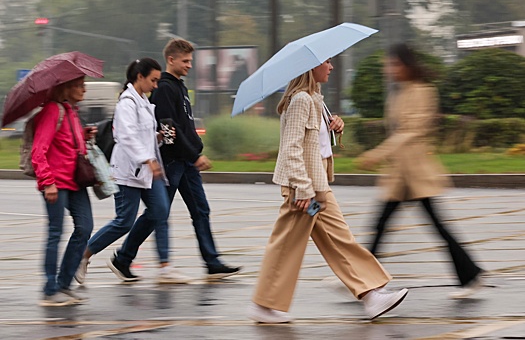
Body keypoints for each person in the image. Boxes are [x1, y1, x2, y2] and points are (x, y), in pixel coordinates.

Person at [247, 58, 408, 324]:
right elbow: (291, 149)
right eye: (327, 62)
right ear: (310, 67)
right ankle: (263, 305)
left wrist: (336, 125)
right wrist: (303, 189)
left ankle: (371, 296)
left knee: (339, 239)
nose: (331, 67)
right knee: (287, 245)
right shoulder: (300, 100)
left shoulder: (315, 99)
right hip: (305, 190)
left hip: (316, 185)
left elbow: (316, 145)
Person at [356, 43, 483, 299]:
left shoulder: (424, 91)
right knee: (380, 226)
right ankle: (363, 279)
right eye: (388, 64)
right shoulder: (397, 93)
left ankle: (471, 276)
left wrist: (376, 154)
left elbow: (410, 131)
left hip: (416, 174)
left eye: (394, 64)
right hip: (400, 176)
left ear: (407, 65)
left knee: (434, 227)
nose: (389, 69)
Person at [75, 58, 189, 284]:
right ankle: (83, 255)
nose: (156, 85)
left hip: (148, 170)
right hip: (129, 171)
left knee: (159, 211)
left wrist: (160, 138)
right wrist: (147, 159)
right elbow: (125, 137)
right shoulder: (127, 103)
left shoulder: (144, 102)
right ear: (139, 77)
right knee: (124, 221)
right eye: (153, 80)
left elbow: (143, 135)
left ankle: (123, 259)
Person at [149, 38, 241, 279]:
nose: (190, 65)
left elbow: (184, 127)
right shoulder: (164, 88)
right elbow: (167, 128)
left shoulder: (179, 86)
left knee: (201, 209)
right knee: (157, 212)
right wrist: (192, 154)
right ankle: (124, 257)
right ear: (171, 59)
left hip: (186, 161)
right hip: (172, 161)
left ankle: (212, 261)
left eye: (191, 60)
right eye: (185, 61)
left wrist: (193, 154)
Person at [33, 76, 95, 306]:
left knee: (85, 226)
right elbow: (39, 150)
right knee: (55, 232)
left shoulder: (70, 110)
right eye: (79, 85)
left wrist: (84, 134)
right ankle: (50, 289)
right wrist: (47, 182)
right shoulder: (52, 111)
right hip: (55, 182)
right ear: (65, 88)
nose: (84, 89)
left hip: (75, 181)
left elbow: (69, 144)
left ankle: (64, 284)